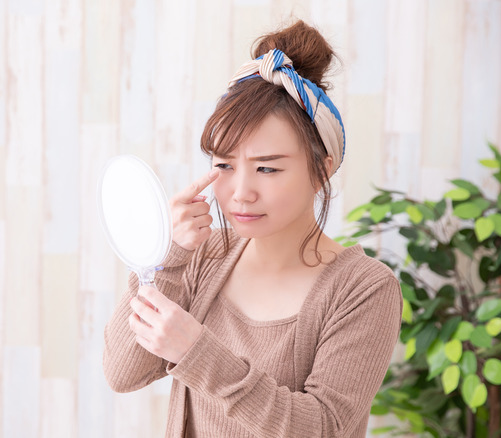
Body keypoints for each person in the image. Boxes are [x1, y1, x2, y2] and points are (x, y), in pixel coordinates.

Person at [103, 20, 402, 437]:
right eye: (224, 165)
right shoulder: (204, 254)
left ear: (322, 170)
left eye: (267, 168)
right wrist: (166, 257)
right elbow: (123, 373)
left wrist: (198, 352)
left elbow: (325, 427)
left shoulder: (363, 288)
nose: (241, 192)